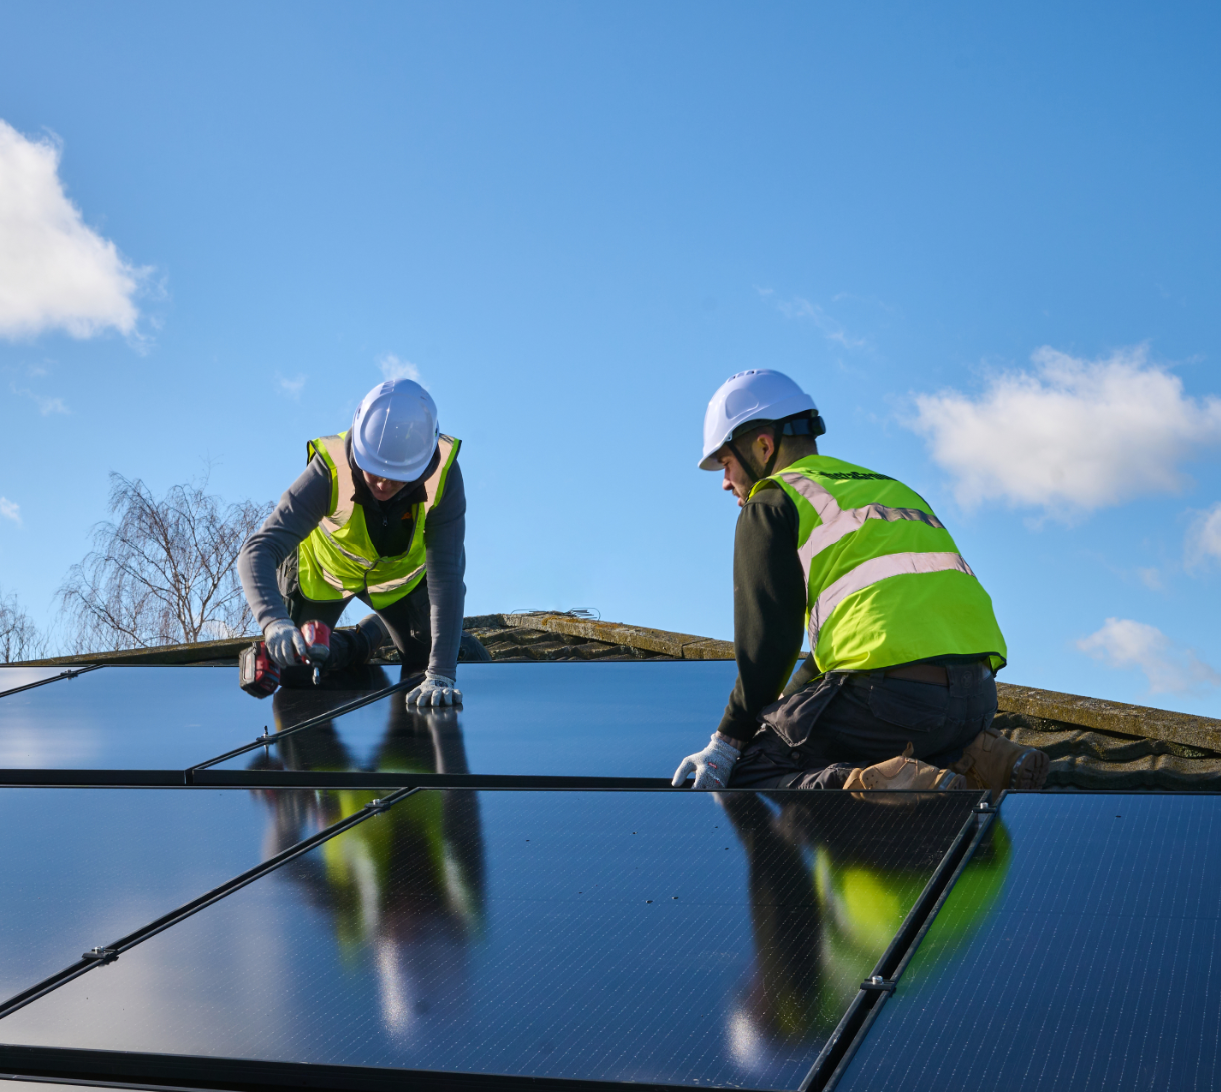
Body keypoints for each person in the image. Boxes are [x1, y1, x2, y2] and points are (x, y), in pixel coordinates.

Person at [672, 369, 1048, 799]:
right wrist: (782, 710)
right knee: (869, 732)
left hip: (890, 702)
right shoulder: (891, 489)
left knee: (753, 766)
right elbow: (838, 649)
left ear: (763, 445)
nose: (725, 482)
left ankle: (880, 783)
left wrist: (727, 742)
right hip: (977, 701)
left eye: (726, 463)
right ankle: (977, 756)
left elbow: (766, 649)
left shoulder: (773, 501)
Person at [238, 378, 466, 706]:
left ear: (421, 465)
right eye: (374, 469)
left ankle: (381, 627)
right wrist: (274, 622)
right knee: (296, 667)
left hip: (398, 585)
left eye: (397, 476)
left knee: (428, 660)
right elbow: (257, 549)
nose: (383, 483)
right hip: (323, 577)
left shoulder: (444, 475)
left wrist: (442, 673)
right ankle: (365, 637)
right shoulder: (328, 471)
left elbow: (446, 576)